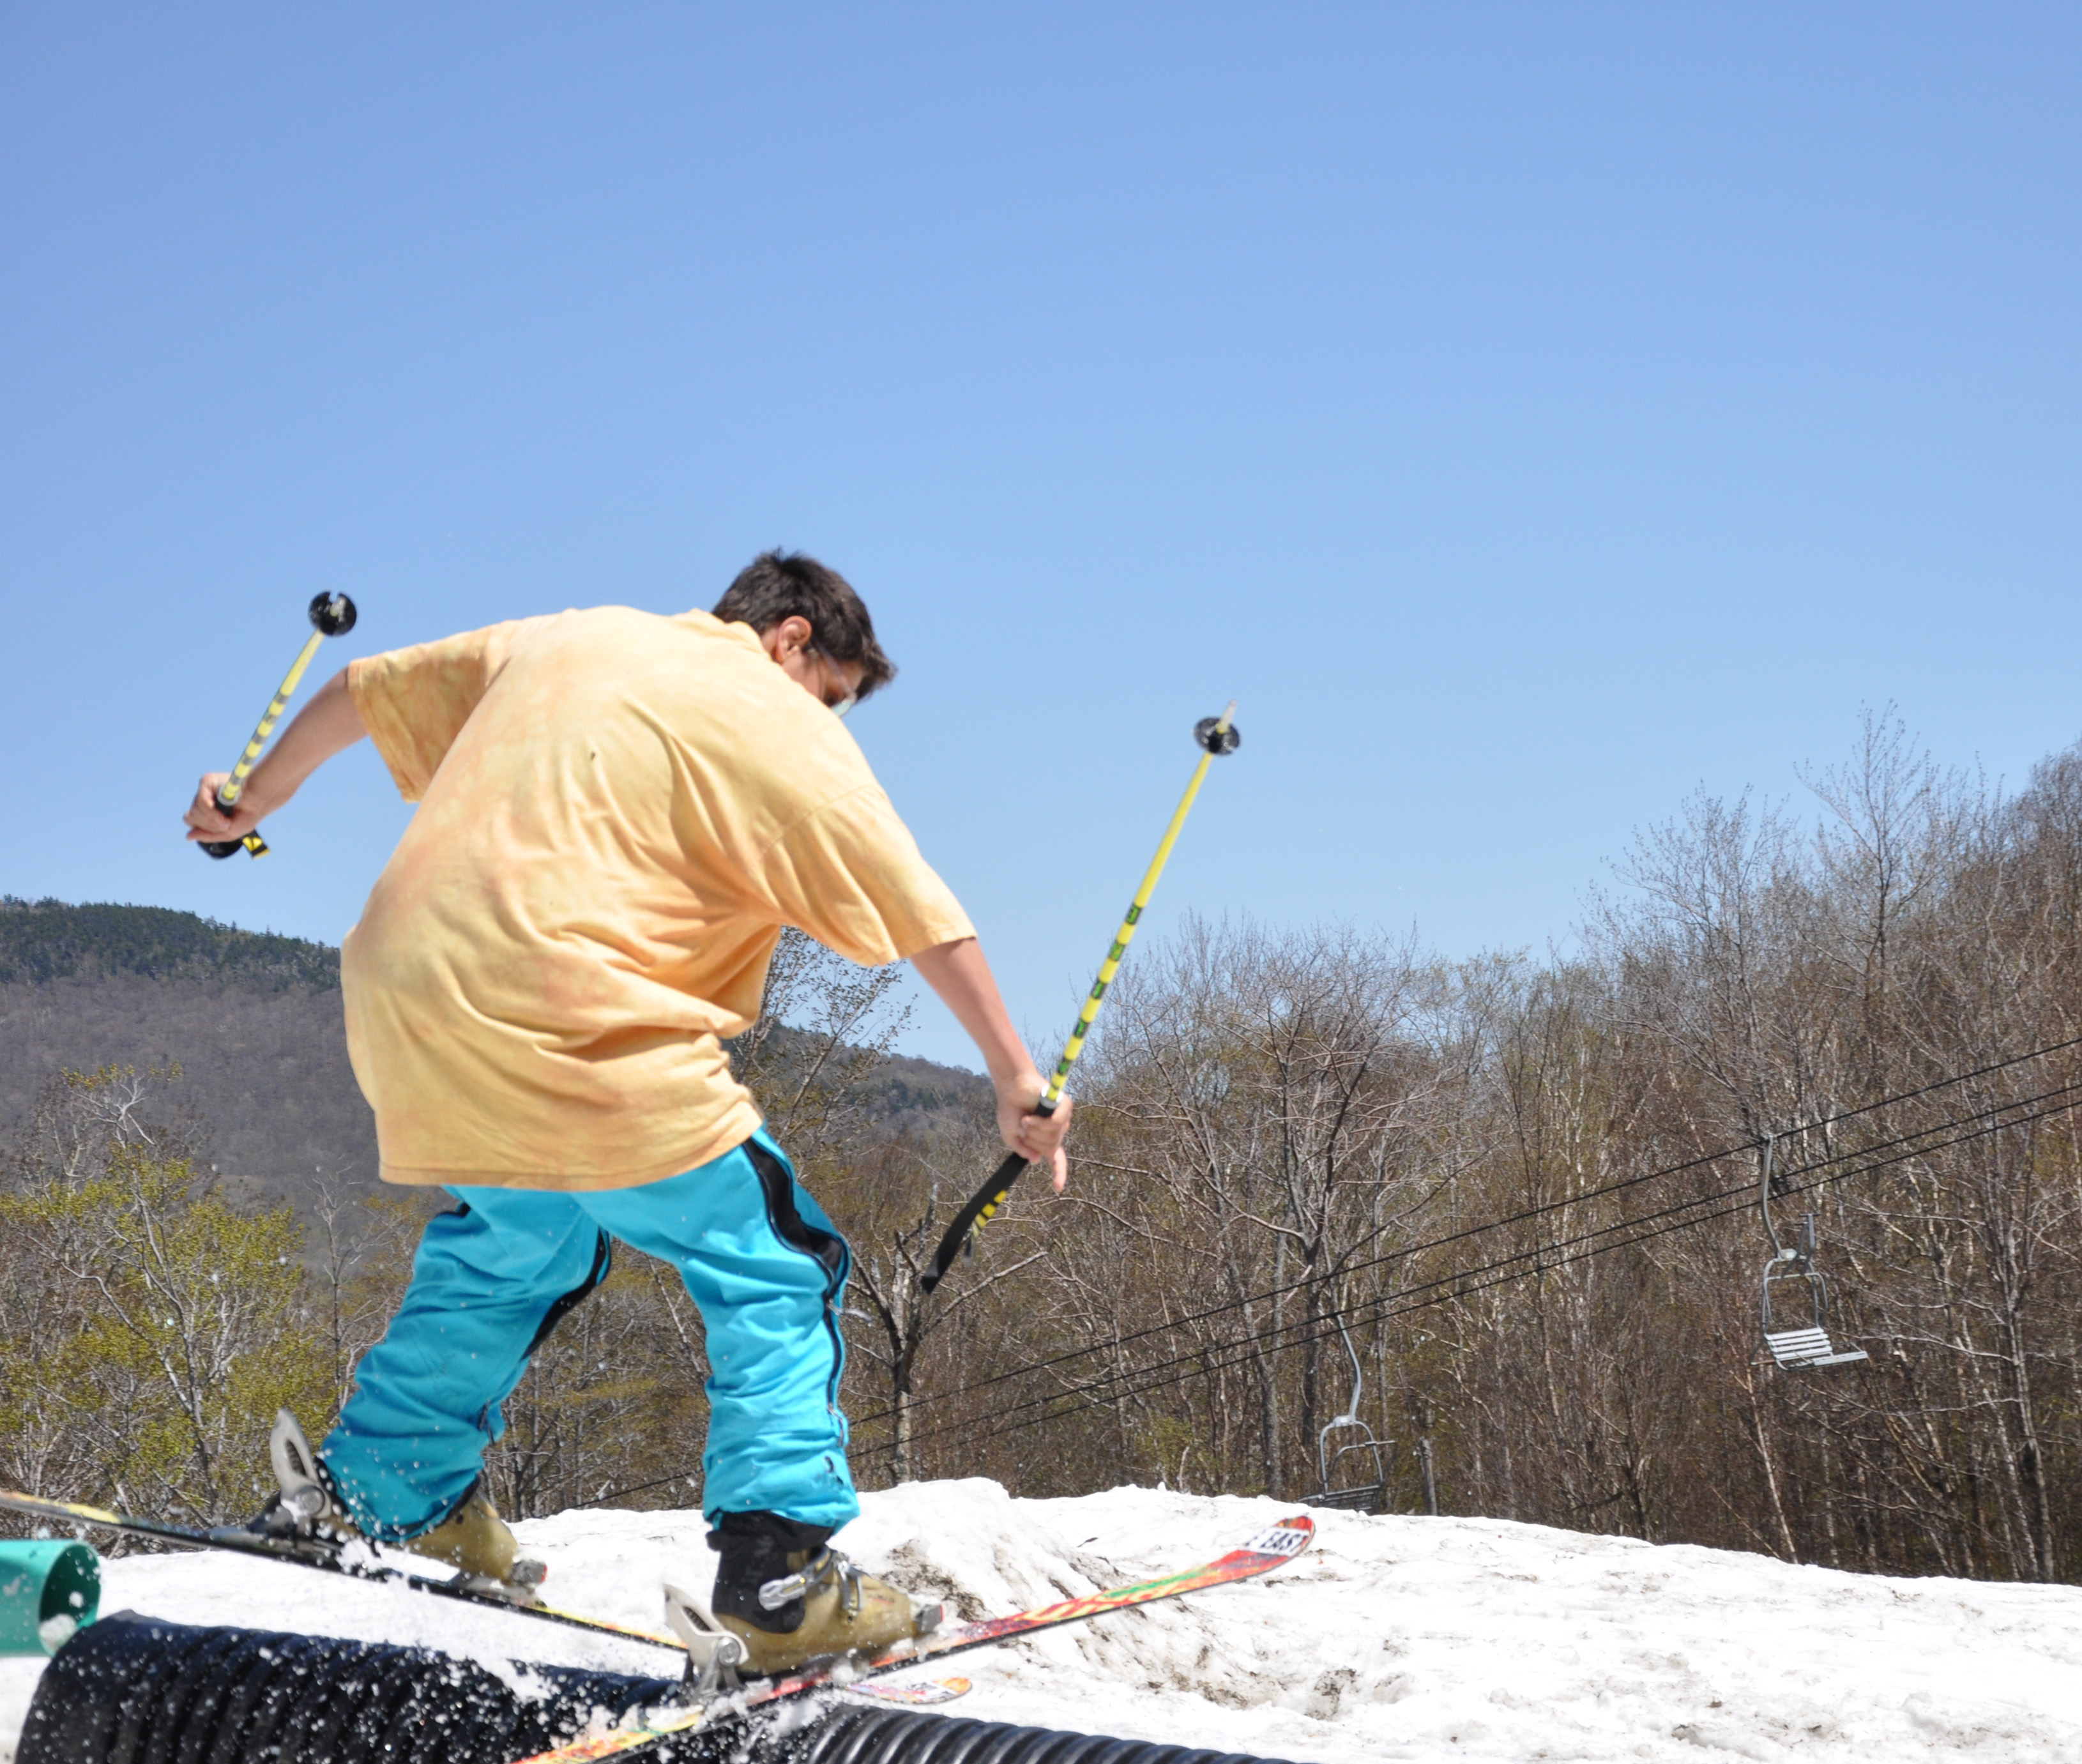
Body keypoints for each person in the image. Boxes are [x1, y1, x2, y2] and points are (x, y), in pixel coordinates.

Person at [182, 552, 1072, 1673]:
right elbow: (921, 908)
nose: (833, 719)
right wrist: (1013, 1075)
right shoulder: (769, 706)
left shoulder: (576, 635)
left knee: (519, 1237)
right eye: (835, 693)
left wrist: (249, 800)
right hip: (573, 1005)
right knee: (775, 1259)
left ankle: (379, 1488)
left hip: (403, 988)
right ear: (791, 640)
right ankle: (778, 1578)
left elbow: (364, 686)